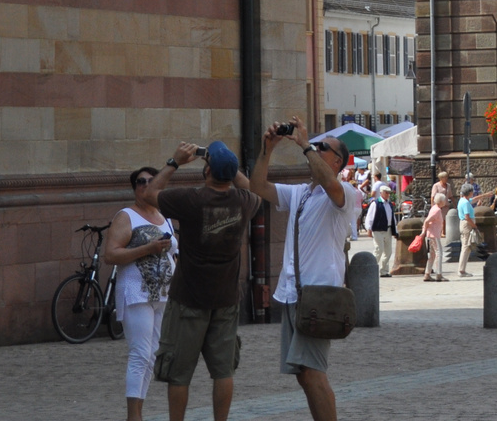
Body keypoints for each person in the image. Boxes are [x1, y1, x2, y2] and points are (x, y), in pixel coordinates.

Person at [248, 118, 361, 421]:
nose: (315, 149)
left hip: (320, 297)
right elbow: (257, 186)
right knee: (303, 374)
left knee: (313, 372)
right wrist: (267, 150)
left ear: (337, 161)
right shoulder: (301, 193)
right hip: (295, 295)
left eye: (323, 148)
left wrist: (306, 145)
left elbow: (330, 184)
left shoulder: (346, 193)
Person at [146, 140, 258, 421]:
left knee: (179, 373)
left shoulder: (190, 200)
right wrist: (229, 167)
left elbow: (150, 193)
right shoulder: (244, 202)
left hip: (188, 300)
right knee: (223, 371)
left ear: (206, 171)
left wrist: (174, 161)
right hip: (226, 300)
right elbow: (252, 189)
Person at [103, 166, 177, 421]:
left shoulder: (163, 215)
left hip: (164, 294)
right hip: (137, 293)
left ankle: (139, 410)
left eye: (150, 181)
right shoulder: (127, 216)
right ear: (134, 188)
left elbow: (173, 253)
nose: (145, 185)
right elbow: (110, 255)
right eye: (140, 182)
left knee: (152, 354)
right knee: (140, 354)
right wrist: (148, 248)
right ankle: (133, 416)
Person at [364, 184, 397, 278]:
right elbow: (370, 217)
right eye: (386, 193)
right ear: (381, 193)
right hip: (378, 229)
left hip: (388, 229)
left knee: (388, 251)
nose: (388, 195)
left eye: (389, 193)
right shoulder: (376, 203)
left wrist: (395, 231)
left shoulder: (389, 204)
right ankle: (371, 269)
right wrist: (368, 228)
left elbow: (392, 218)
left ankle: (384, 271)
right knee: (379, 249)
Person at [422, 193, 447, 282]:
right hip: (434, 235)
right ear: (441, 201)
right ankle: (439, 274)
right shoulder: (437, 210)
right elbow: (427, 221)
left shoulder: (434, 208)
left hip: (431, 235)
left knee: (432, 255)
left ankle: (427, 274)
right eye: (444, 200)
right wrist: (423, 232)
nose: (445, 201)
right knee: (439, 253)